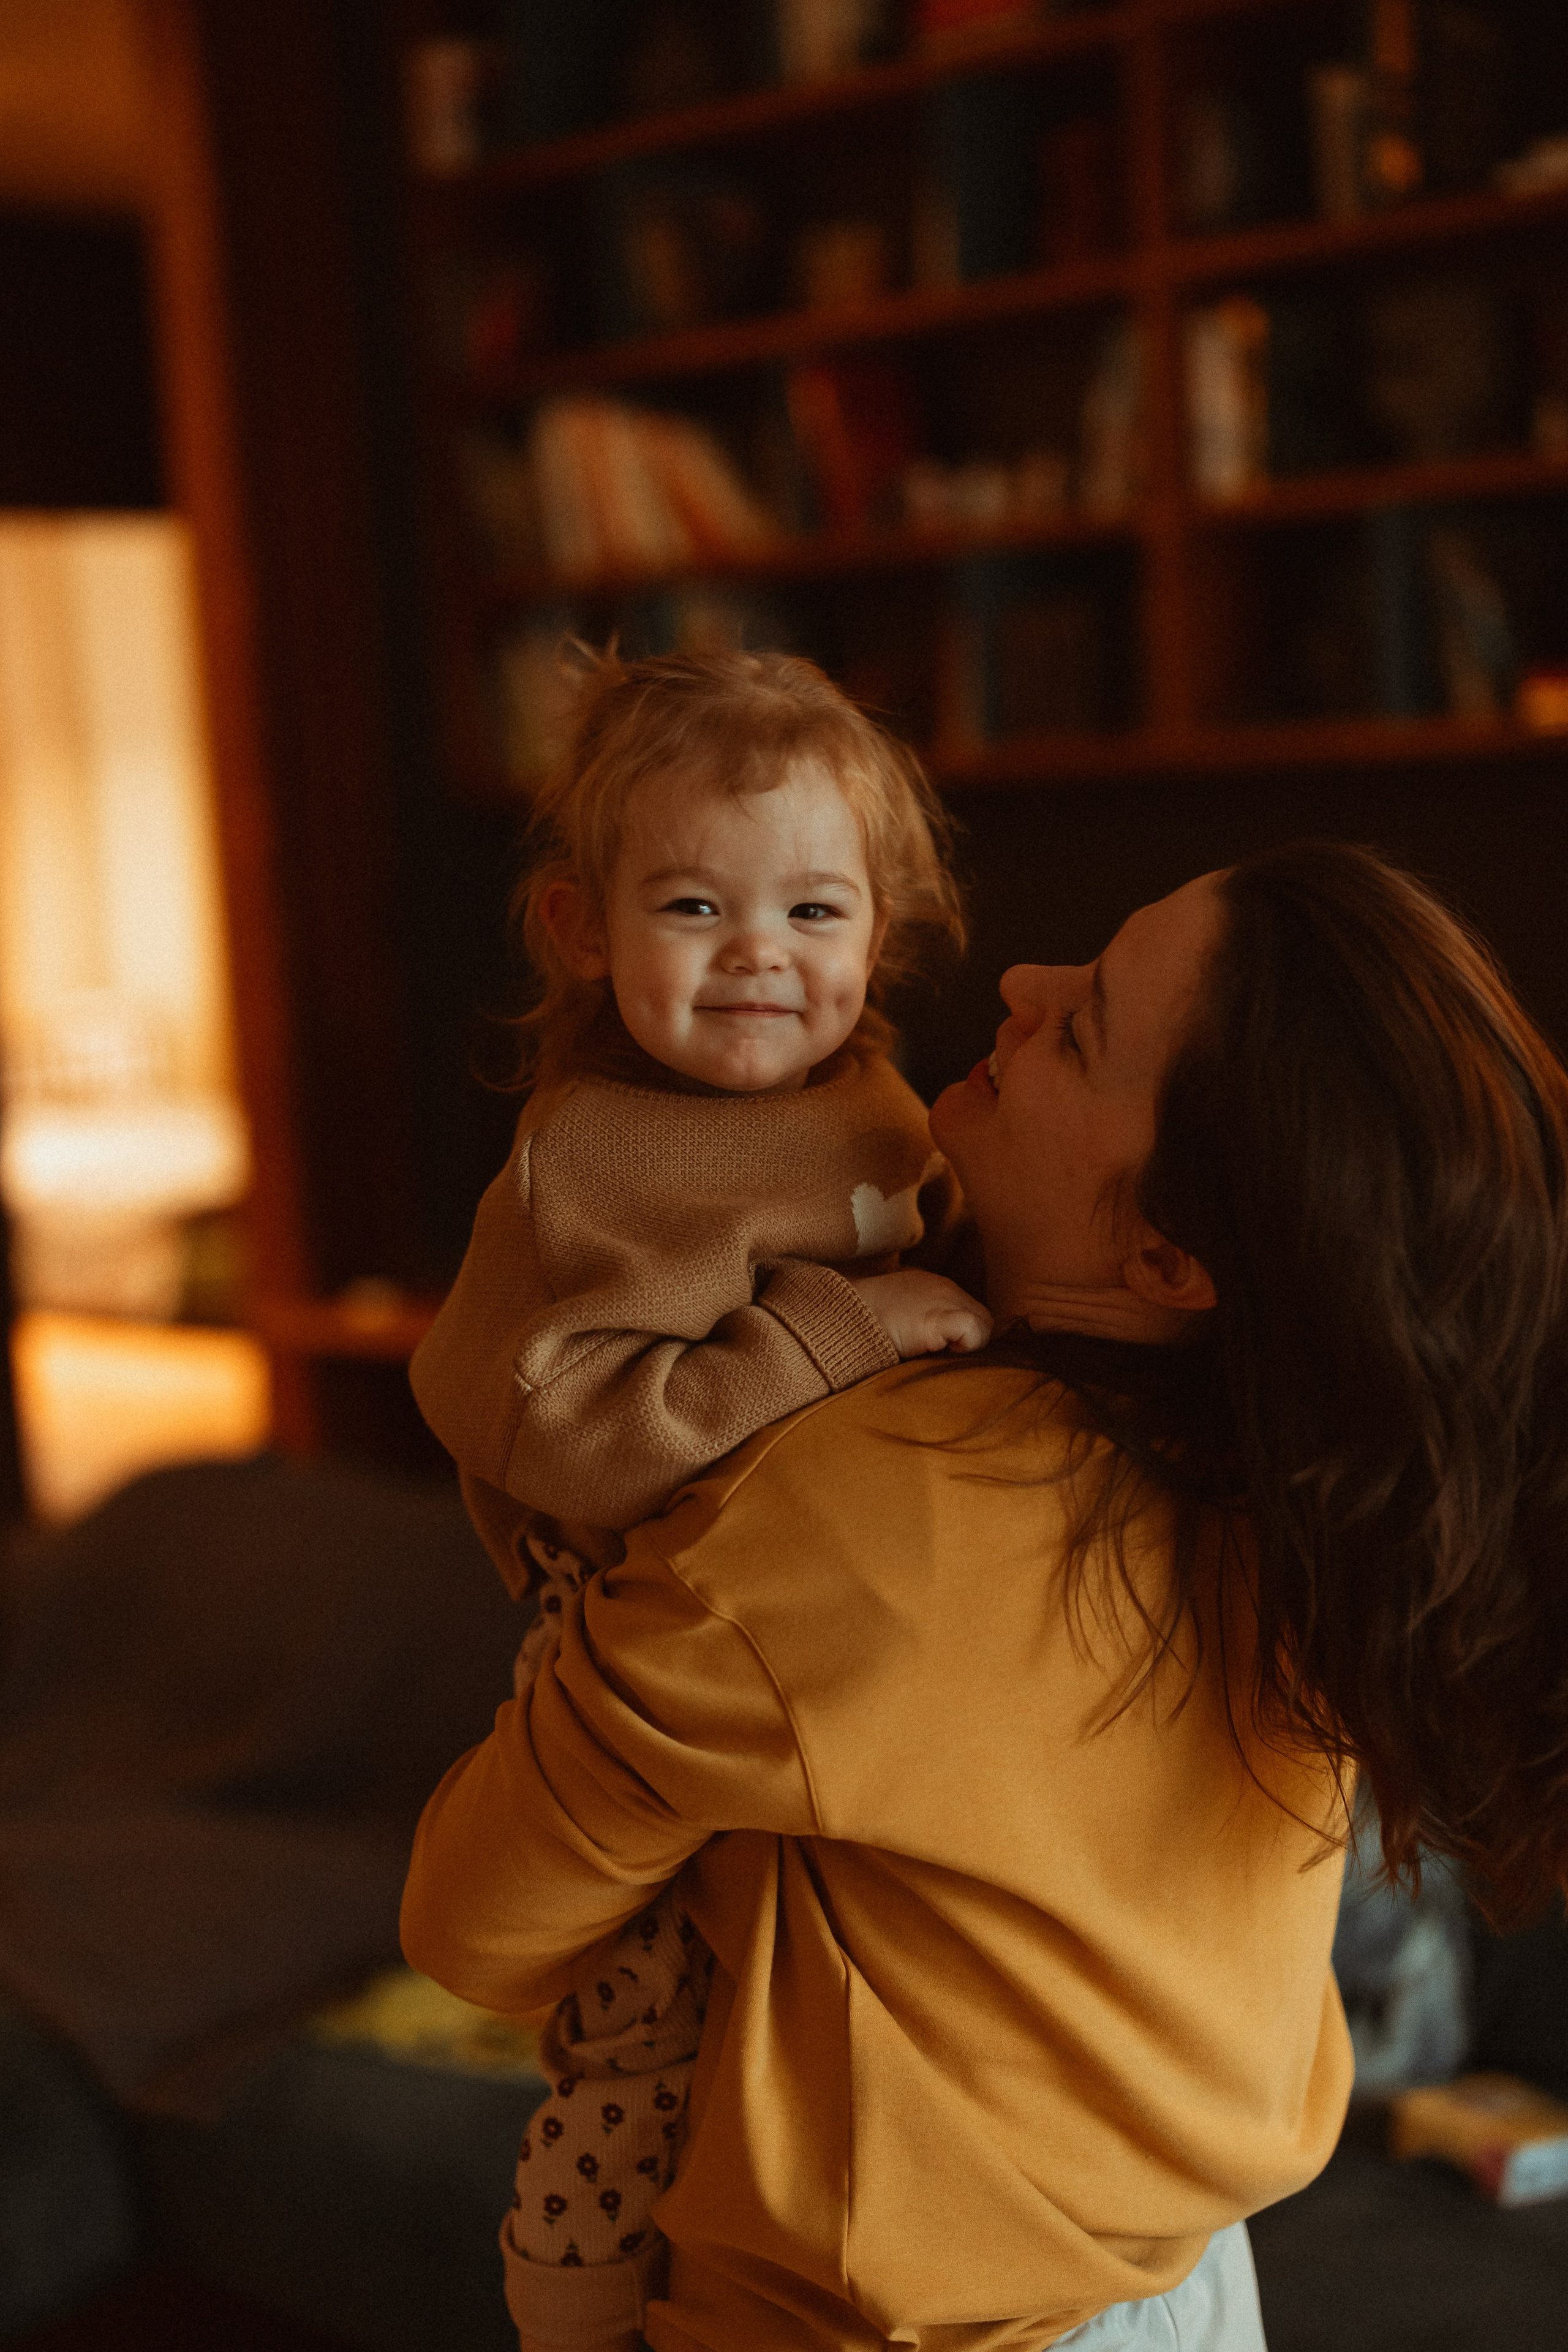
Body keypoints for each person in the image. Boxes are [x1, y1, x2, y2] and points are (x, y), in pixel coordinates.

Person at [404, 841, 1568, 2351]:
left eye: (1079, 1026)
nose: (1019, 983)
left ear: (1164, 1251)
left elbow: (470, 1922)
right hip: (1189, 2294)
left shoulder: (865, 1517)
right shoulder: (1323, 1503)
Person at [410, 647, 991, 2352]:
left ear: (882, 930)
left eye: (818, 912)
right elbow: (559, 1424)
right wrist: (842, 1334)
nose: (762, 957)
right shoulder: (590, 1157)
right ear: (578, 932)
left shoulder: (878, 1109)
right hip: (629, 1617)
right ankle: (572, 2289)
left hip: (830, 1652)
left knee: (825, 1991)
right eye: (692, 905)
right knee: (641, 2002)